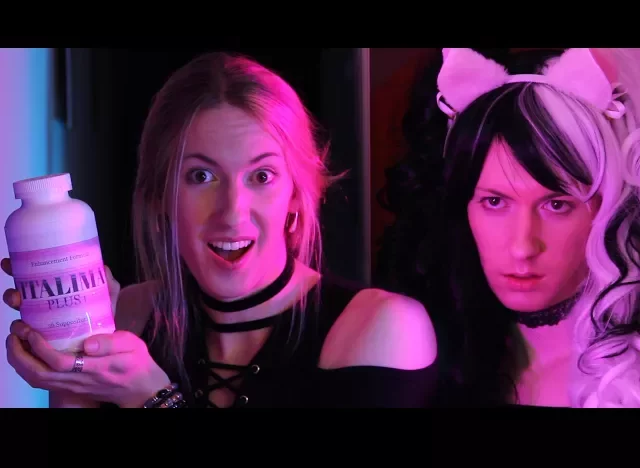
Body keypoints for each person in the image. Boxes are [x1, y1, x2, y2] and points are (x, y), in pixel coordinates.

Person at [3, 51, 438, 409]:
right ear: (160, 196)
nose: (232, 213)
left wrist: (152, 398)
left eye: (262, 176)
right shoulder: (128, 319)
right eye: (201, 176)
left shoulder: (384, 328)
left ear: (295, 195)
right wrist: (71, 364)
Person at [376, 47, 640, 408]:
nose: (523, 246)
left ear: (608, 209)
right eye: (495, 202)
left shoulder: (626, 381)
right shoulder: (413, 360)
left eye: (556, 205)